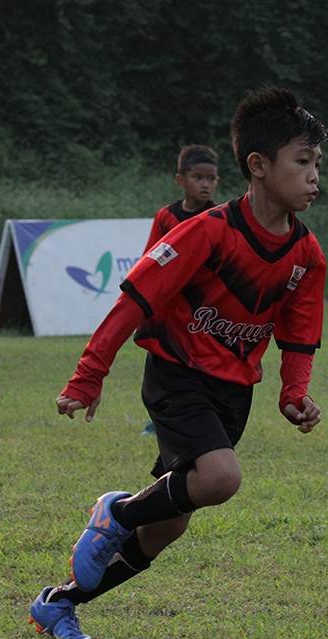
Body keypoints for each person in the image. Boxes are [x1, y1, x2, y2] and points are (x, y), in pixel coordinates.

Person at [28, 86, 328, 639]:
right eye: (303, 162)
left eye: (318, 164)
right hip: (178, 374)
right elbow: (136, 300)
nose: (315, 177)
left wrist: (294, 393)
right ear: (258, 167)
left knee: (168, 523)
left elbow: (299, 337)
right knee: (220, 478)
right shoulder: (207, 231)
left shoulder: (307, 256)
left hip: (232, 393)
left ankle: (59, 604)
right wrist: (89, 374)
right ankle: (114, 511)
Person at [141, 144, 221, 435]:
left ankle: (203, 417)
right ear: (181, 180)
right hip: (170, 309)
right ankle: (160, 418)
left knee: (200, 367)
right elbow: (151, 258)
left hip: (203, 311)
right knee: (164, 364)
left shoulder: (219, 218)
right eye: (198, 177)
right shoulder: (166, 217)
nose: (205, 184)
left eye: (211, 178)